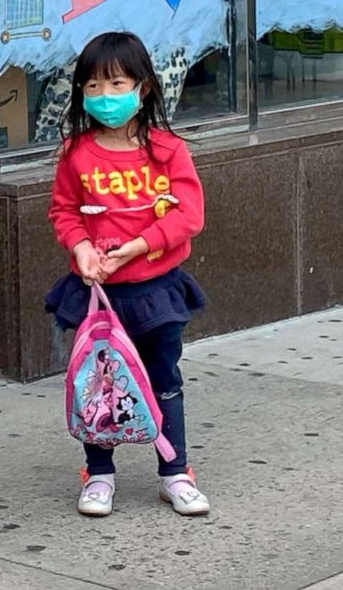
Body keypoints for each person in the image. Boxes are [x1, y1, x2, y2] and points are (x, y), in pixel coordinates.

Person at [45, 32, 211, 518]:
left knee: (165, 379)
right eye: (92, 87)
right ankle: (99, 474)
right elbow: (64, 211)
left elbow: (188, 215)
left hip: (157, 290)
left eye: (116, 83)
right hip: (97, 296)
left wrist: (136, 248)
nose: (104, 97)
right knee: (100, 386)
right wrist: (80, 249)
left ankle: (174, 470)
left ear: (143, 88)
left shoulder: (167, 150)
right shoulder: (75, 153)